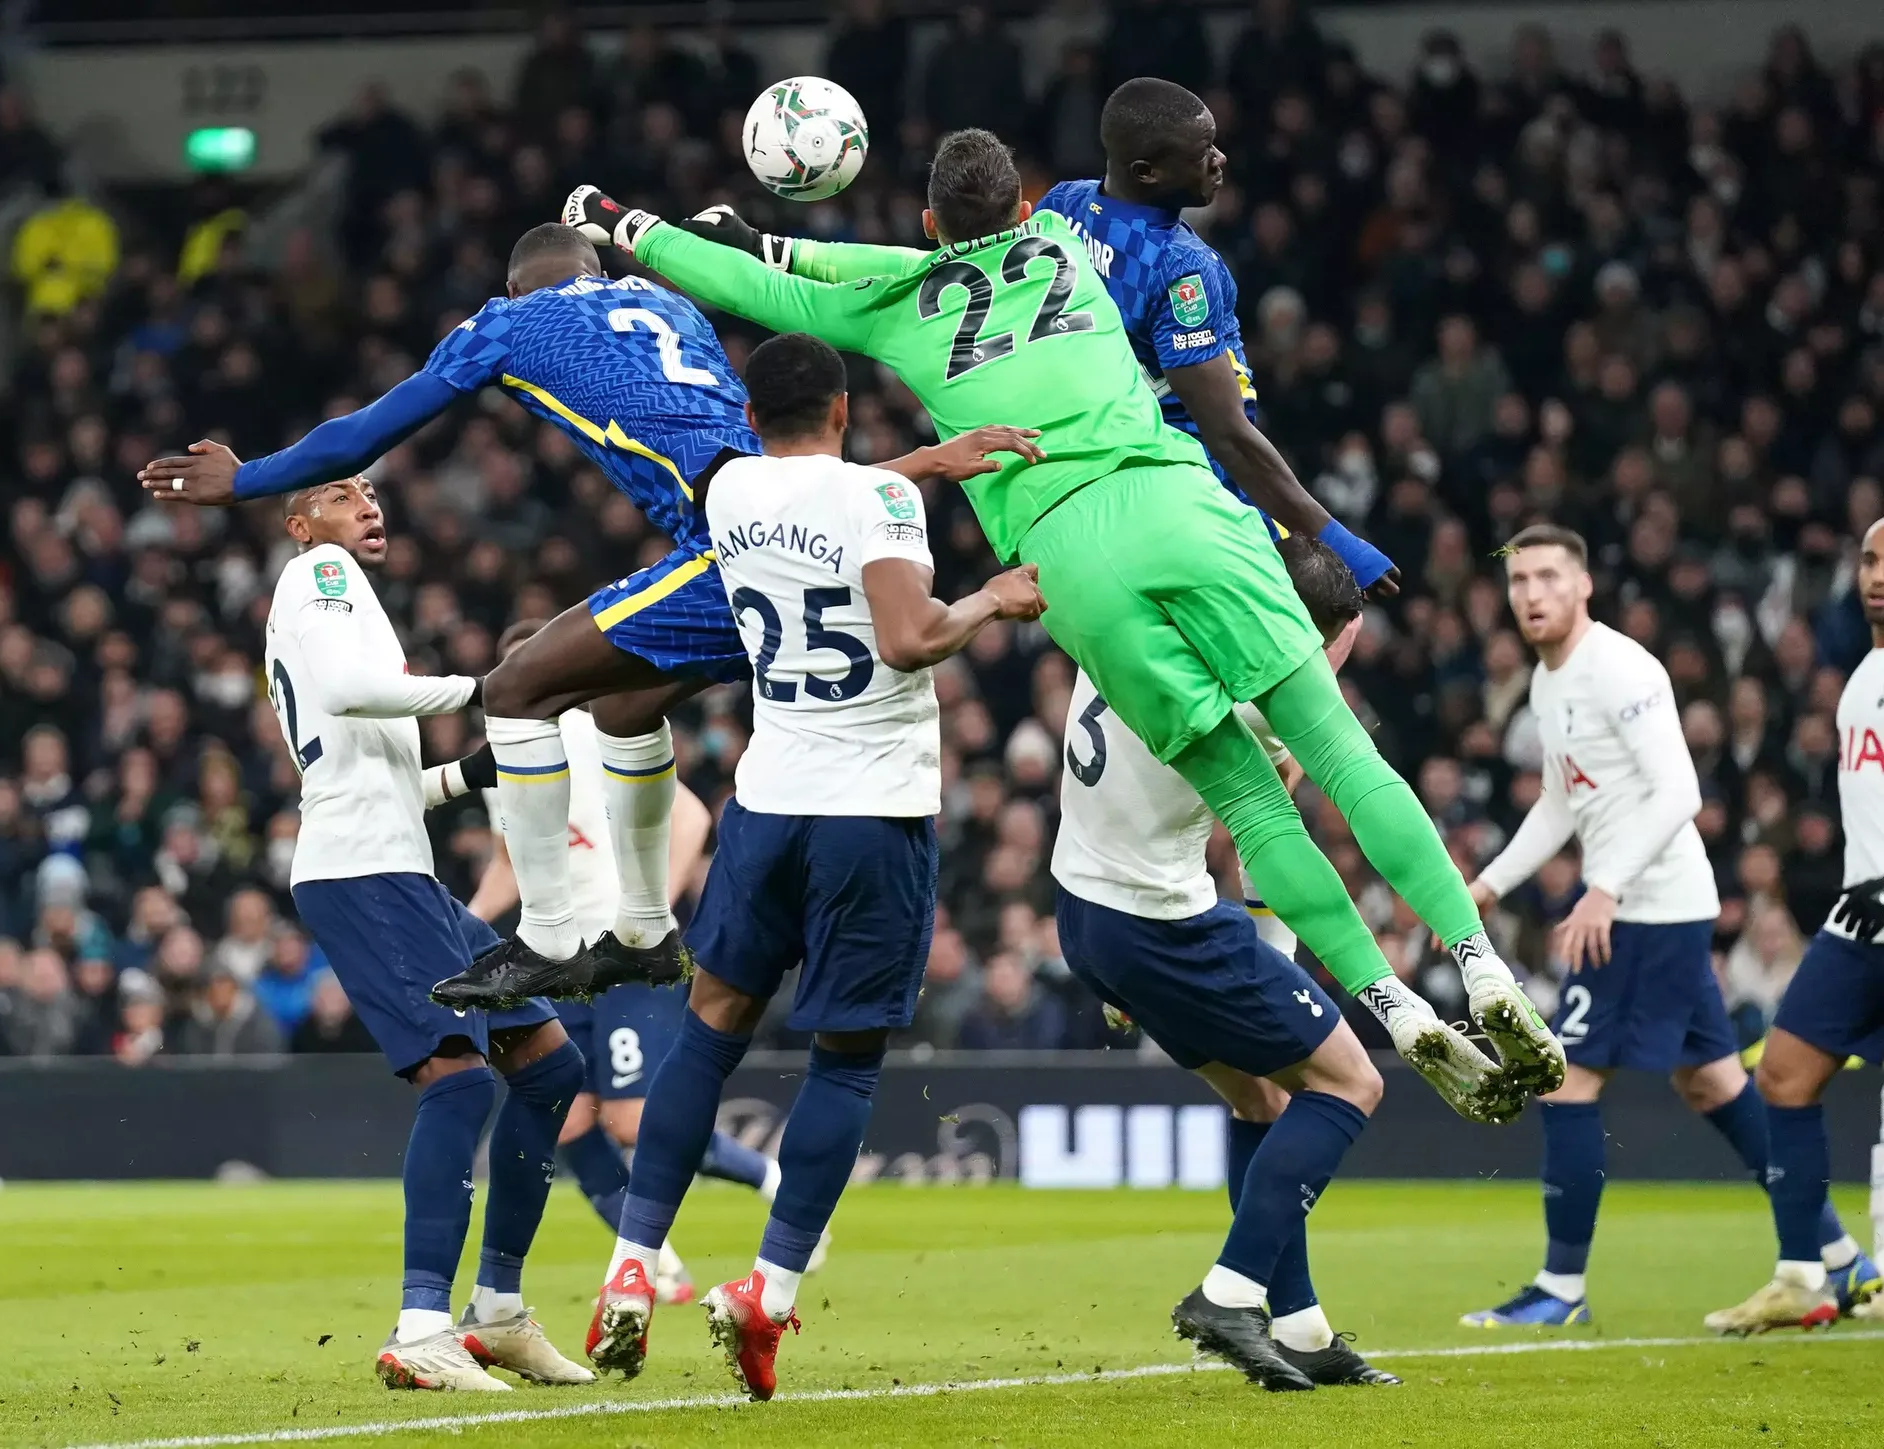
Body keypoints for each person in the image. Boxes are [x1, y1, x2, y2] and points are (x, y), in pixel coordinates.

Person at [565, 131, 1563, 1106]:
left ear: (927, 225)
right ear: (1025, 206)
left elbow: (774, 290)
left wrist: (624, 223)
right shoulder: (1069, 243)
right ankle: (1479, 970)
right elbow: (872, 258)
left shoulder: (903, 307)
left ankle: (1391, 1009)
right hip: (1179, 505)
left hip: (1066, 551)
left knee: (1251, 805)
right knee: (1340, 752)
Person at [145, 224, 1044, 1011]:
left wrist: (251, 478)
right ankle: (646, 930)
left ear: (514, 287)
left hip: (723, 549)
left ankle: (550, 936)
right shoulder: (666, 306)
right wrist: (919, 461)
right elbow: (777, 457)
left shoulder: (508, 323)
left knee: (518, 684)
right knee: (620, 708)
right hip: (769, 526)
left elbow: (366, 434)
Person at [583, 333, 1045, 1399]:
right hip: (868, 821)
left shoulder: (734, 488)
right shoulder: (882, 509)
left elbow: (815, 497)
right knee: (841, 1061)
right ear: (843, 411)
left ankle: (631, 1261)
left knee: (706, 1035)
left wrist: (931, 460)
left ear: (752, 419)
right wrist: (990, 599)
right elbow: (906, 635)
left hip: (766, 802)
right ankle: (769, 1295)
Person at [1056, 534, 1486, 1390]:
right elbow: (1269, 849)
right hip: (1160, 924)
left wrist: (1276, 982)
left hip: (1083, 906)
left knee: (1265, 1093)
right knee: (1352, 1083)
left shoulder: (1127, 608)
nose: (1325, 670)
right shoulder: (1262, 698)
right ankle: (1228, 1292)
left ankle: (1300, 1327)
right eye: (1332, 649)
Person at [1458, 525, 1876, 1327]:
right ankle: (1837, 1254)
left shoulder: (1619, 666)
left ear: (1584, 585)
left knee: (1567, 1078)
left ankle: (1561, 1289)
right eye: (1518, 581)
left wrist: (1603, 888)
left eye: (1548, 576)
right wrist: (1491, 882)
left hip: (1644, 910)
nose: (1531, 593)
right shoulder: (1549, 683)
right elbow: (1559, 802)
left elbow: (1680, 790)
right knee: (1713, 1081)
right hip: (1647, 906)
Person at [264, 475, 592, 1391]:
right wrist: (489, 688)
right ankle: (420, 1326)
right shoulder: (320, 573)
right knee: (455, 1084)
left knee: (551, 1064)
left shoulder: (344, 601)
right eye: (341, 492)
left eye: (372, 490)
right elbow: (349, 690)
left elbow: (377, 766)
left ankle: (496, 1312)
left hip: (396, 865)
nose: (367, 503)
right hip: (362, 871)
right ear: (301, 524)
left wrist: (470, 770)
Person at [425, 619, 801, 1307]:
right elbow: (514, 861)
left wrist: (648, 906)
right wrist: (465, 931)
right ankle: (658, 1267)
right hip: (555, 959)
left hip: (620, 957)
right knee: (566, 1122)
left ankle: (773, 1182)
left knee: (628, 1120)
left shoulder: (596, 732)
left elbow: (688, 818)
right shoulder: (504, 757)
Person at [1033, 79, 1397, 597]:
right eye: (1202, 153)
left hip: (1108, 474)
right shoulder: (1183, 269)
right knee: (1334, 608)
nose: (1219, 159)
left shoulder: (1061, 206)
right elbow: (1225, 433)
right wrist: (1337, 538)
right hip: (1205, 490)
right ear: (1147, 172)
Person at [1706, 518, 1884, 1331]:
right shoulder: (1859, 681)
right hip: (1862, 914)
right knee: (1781, 1073)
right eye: (1871, 557)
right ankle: (1804, 1273)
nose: (1878, 574)